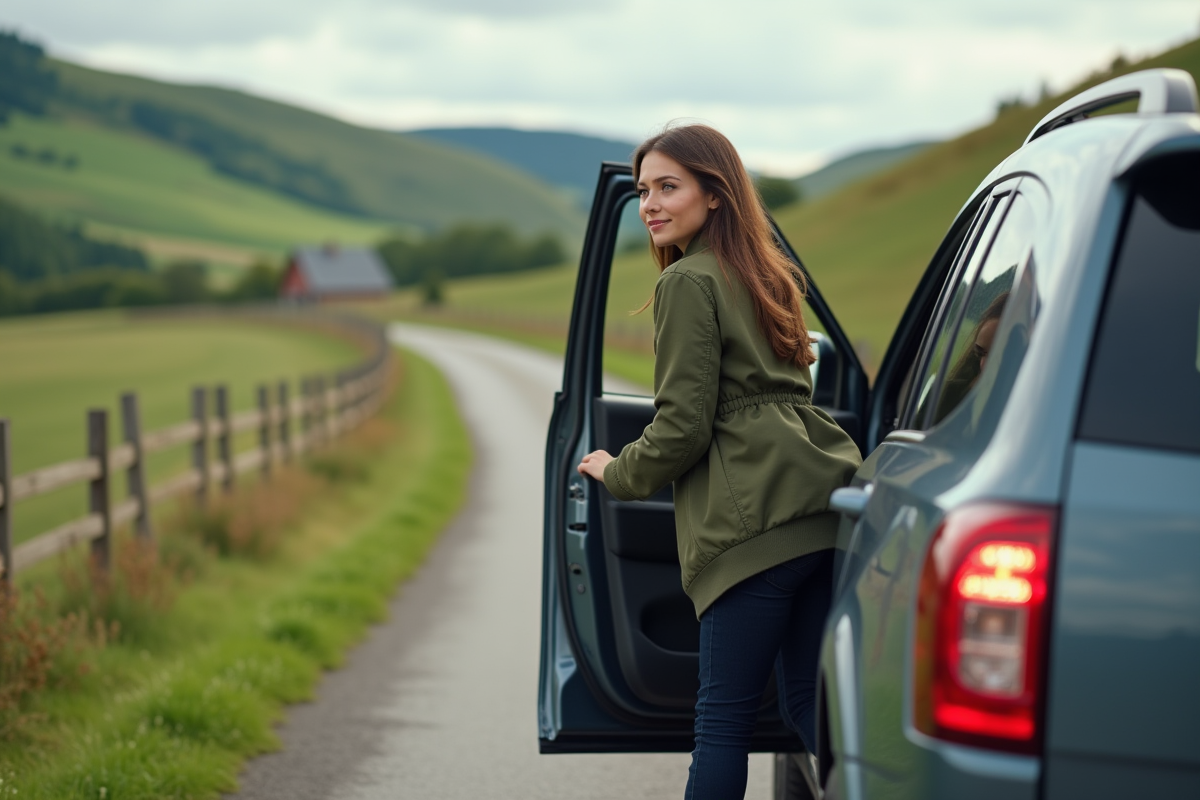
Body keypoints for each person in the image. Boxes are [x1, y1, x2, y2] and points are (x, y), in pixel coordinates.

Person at [575, 124, 862, 800]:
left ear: (715, 194)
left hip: (752, 529)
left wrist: (617, 472)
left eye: (668, 187)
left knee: (724, 721)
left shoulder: (687, 285)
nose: (649, 204)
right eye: (644, 190)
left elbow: (681, 429)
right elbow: (785, 398)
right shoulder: (769, 277)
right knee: (804, 704)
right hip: (819, 514)